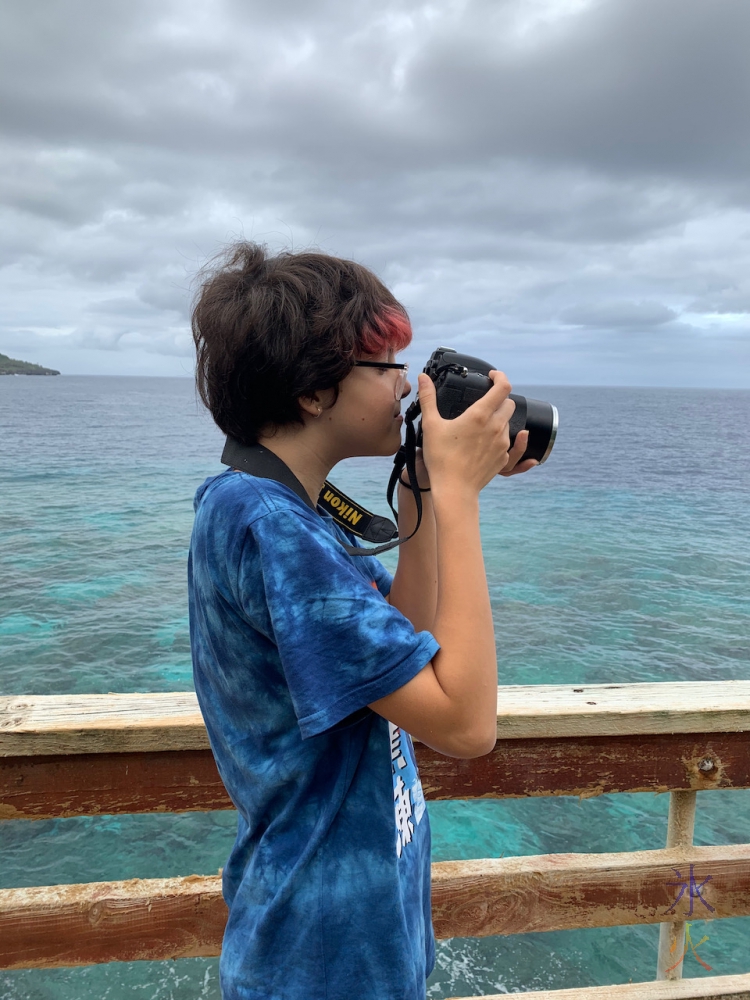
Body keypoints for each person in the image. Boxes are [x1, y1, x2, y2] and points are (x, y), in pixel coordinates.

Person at [188, 242, 536, 1000]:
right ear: (314, 391)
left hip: (354, 945)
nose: (407, 388)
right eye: (387, 368)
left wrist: (423, 496)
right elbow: (466, 725)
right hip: (319, 961)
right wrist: (464, 499)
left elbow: (401, 651)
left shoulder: (287, 515)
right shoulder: (269, 526)